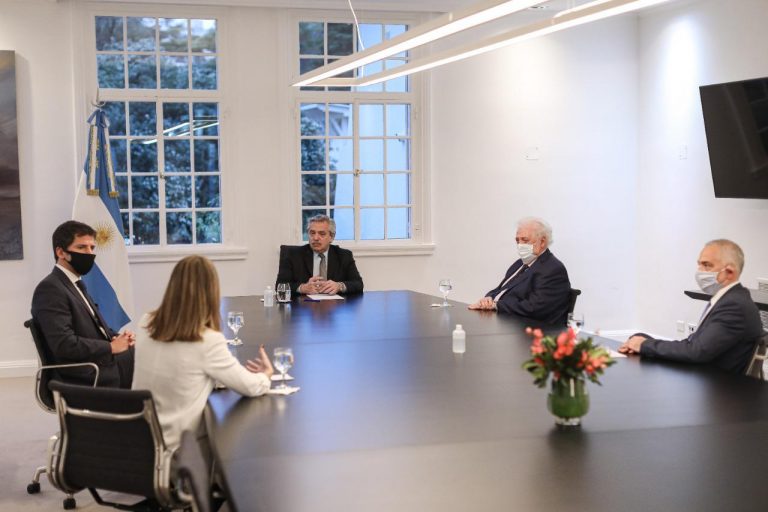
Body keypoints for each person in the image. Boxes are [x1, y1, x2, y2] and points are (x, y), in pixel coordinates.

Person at [132, 255, 273, 451]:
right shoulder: (206, 340)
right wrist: (265, 374)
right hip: (176, 452)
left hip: (137, 440)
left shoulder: (146, 322)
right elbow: (250, 387)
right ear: (211, 292)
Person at [619, 239, 763, 374]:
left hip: (717, 391)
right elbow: (692, 344)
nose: (700, 271)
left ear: (730, 272)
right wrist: (643, 341)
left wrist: (645, 345)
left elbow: (697, 352)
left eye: (707, 265)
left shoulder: (734, 305)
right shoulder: (728, 299)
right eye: (699, 264)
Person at [31, 220, 135, 388]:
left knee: (150, 358)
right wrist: (110, 347)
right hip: (83, 375)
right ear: (61, 252)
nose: (89, 253)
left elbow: (96, 328)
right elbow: (64, 344)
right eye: (81, 247)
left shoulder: (75, 283)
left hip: (96, 364)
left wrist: (117, 337)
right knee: (154, 369)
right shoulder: (50, 289)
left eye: (92, 248)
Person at [469, 217, 571, 325]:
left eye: (525, 240)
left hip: (532, 331)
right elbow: (501, 290)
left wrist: (496, 305)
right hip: (507, 322)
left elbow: (534, 307)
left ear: (542, 242)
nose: (520, 245)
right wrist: (488, 299)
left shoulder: (552, 269)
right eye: (517, 240)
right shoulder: (519, 264)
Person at [276, 214, 364, 295]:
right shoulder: (293, 255)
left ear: (332, 237)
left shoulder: (344, 255)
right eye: (312, 233)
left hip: (335, 308)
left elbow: (358, 284)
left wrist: (339, 286)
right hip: (304, 308)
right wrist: (302, 288)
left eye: (322, 234)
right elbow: (280, 286)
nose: (315, 238)